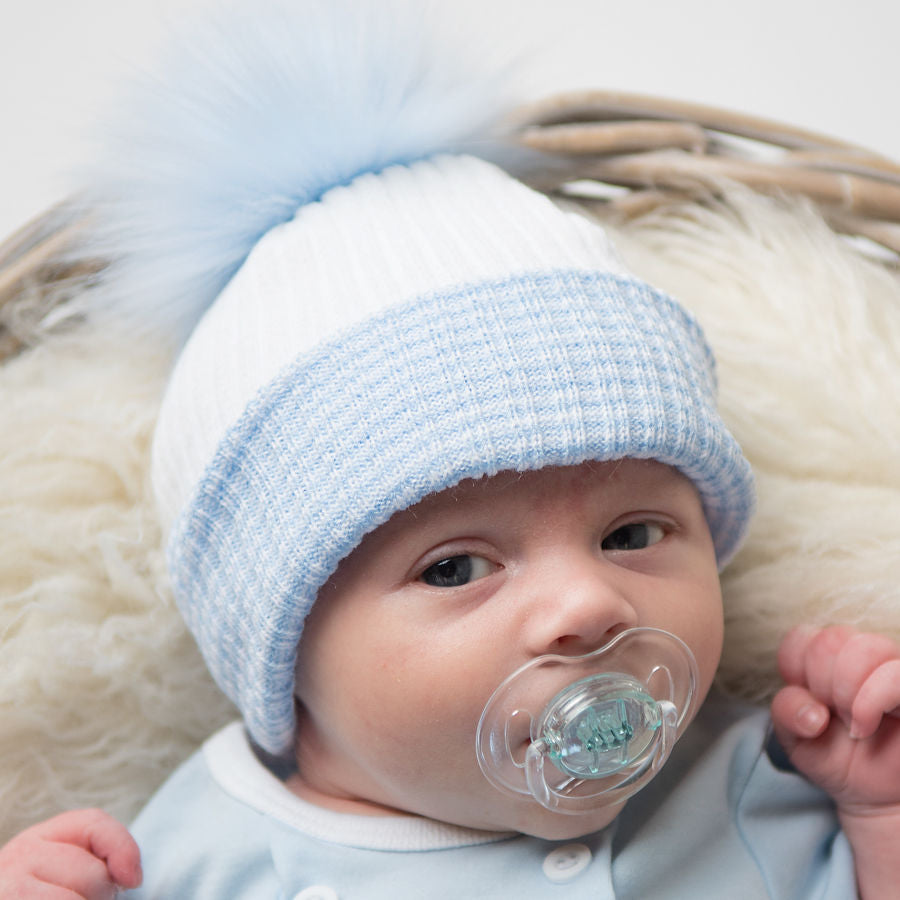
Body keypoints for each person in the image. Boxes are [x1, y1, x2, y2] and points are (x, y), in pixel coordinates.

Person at [1, 2, 899, 897]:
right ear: (287, 655)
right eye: (456, 568)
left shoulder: (749, 780)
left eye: (632, 535)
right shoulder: (197, 854)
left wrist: (878, 818)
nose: (588, 604)